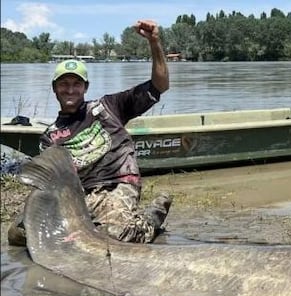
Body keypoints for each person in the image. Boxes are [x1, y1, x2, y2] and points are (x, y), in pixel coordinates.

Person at [7, 19, 172, 246]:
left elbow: (160, 85)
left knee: (113, 237)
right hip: (78, 197)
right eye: (64, 84)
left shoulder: (109, 107)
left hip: (117, 185)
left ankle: (151, 219)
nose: (70, 89)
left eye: (77, 84)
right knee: (20, 235)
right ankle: (93, 226)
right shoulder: (50, 137)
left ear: (86, 87)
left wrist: (154, 42)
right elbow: (52, 184)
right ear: (55, 88)